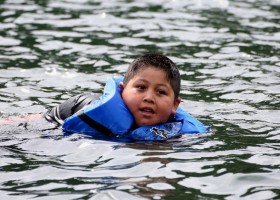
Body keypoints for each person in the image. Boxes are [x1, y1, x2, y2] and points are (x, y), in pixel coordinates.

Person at [1, 54, 209, 140]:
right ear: (122, 90)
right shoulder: (86, 107)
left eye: (161, 92)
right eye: (141, 87)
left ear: (175, 105)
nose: (149, 97)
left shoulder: (180, 135)